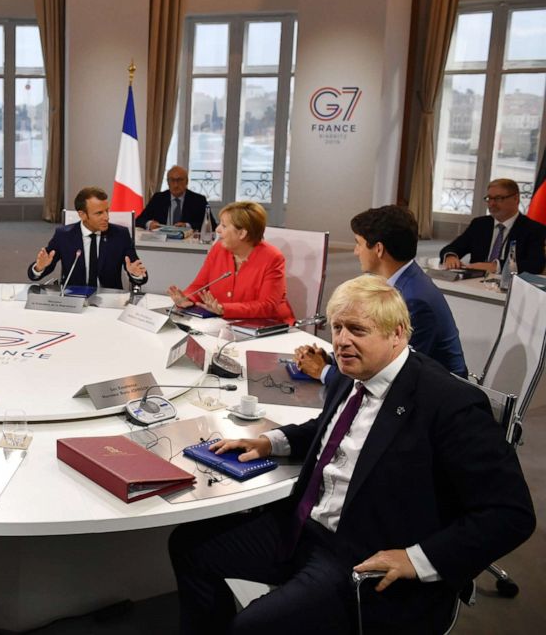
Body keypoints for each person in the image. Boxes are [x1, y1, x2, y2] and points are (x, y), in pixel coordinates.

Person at [168, 275, 535, 635]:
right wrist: (270, 441)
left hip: (356, 554)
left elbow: (510, 514)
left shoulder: (449, 404)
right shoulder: (351, 372)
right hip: (299, 527)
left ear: (398, 333)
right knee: (188, 546)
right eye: (337, 327)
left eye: (357, 330)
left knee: (250, 627)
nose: (341, 341)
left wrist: (418, 559)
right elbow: (330, 428)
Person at [295, 205, 467, 382]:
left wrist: (322, 371)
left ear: (378, 249)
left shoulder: (414, 299)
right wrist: (332, 357)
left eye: (358, 243)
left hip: (436, 395)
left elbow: (394, 372)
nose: (355, 251)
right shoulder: (406, 281)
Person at [168, 201, 294, 323]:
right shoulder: (218, 249)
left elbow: (267, 306)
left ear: (242, 233)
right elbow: (199, 286)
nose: (217, 229)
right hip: (226, 324)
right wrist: (187, 298)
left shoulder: (272, 258)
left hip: (268, 326)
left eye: (223, 226)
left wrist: (224, 309)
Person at [27, 186, 148, 289]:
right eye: (99, 213)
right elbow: (36, 274)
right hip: (73, 299)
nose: (106, 217)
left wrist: (136, 274)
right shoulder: (64, 235)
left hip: (108, 302)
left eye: (107, 211)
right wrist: (39, 267)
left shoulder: (120, 235)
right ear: (82, 215)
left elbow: (140, 276)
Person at [439, 178, 546, 275]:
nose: (492, 204)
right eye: (489, 198)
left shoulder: (534, 229)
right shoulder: (479, 224)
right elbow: (452, 248)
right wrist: (450, 256)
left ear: (516, 199)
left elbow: (535, 265)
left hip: (511, 286)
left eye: (498, 198)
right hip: (475, 282)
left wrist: (495, 266)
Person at [136, 166, 212, 232]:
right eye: (172, 180)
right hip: (162, 241)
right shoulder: (158, 198)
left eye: (179, 180)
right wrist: (149, 224)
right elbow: (139, 220)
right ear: (168, 182)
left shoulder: (198, 200)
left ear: (186, 181)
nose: (176, 185)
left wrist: (187, 226)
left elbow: (212, 225)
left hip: (188, 242)